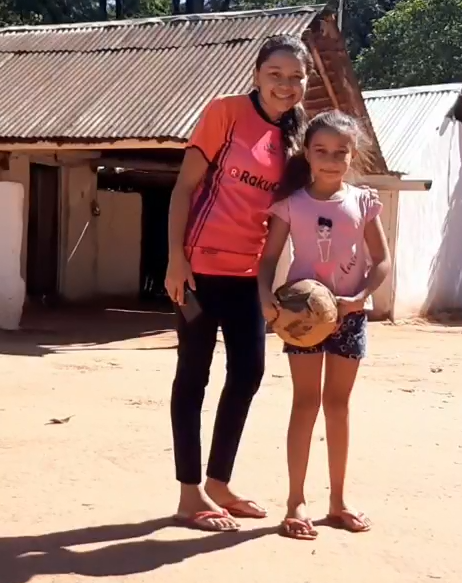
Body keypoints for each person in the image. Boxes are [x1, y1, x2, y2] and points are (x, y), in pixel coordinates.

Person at [162, 34, 314, 532]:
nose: (285, 85)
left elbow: (286, 217)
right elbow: (185, 188)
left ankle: (220, 483)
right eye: (275, 74)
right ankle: (190, 494)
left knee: (247, 374)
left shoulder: (296, 138)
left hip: (250, 277)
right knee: (194, 375)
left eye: (295, 77)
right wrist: (176, 260)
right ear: (256, 74)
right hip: (200, 272)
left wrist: (273, 284)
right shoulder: (224, 114)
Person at [256, 110, 393, 540]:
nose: (331, 159)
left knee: (338, 406)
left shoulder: (364, 201)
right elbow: (267, 261)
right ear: (307, 154)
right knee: (304, 404)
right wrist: (267, 302)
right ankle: (295, 501)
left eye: (340, 152)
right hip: (301, 321)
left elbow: (382, 261)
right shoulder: (291, 204)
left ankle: (338, 501)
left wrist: (360, 297)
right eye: (322, 151)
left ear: (352, 156)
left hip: (349, 318)